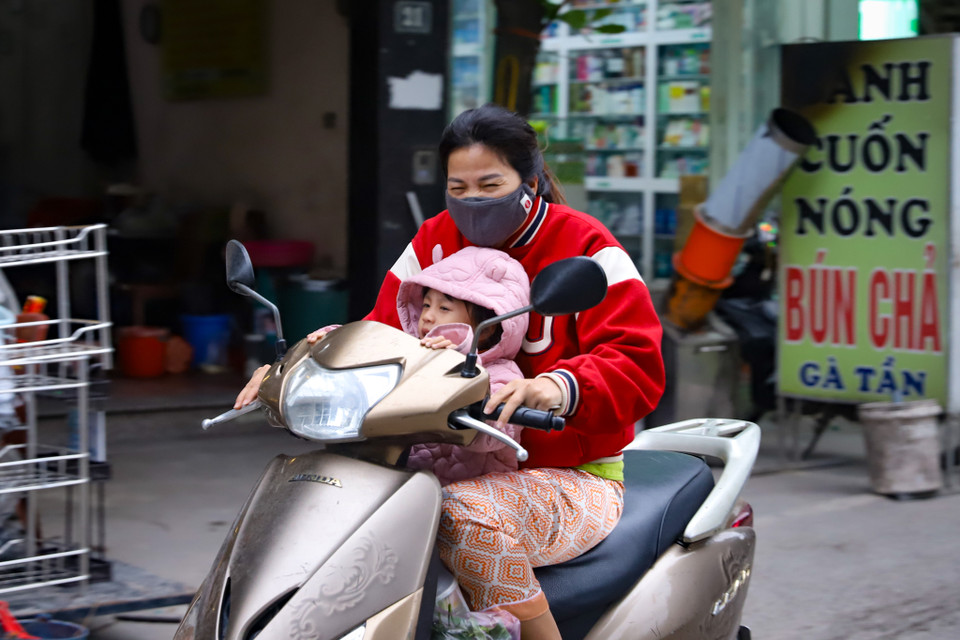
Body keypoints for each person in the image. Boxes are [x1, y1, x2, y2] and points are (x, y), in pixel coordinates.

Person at [236, 103, 665, 640]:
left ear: (528, 178)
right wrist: (299, 362)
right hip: (443, 456)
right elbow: (384, 329)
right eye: (457, 188)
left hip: (570, 472)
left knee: (460, 515)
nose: (472, 203)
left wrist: (556, 385)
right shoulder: (435, 239)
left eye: (490, 184)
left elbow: (636, 361)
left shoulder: (586, 245)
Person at [397, 245, 530, 486]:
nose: (427, 316)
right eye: (426, 305)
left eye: (444, 308)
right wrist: (333, 341)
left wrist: (458, 364)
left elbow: (494, 435)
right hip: (409, 486)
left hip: (469, 493)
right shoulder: (411, 355)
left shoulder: (504, 376)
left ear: (488, 327)